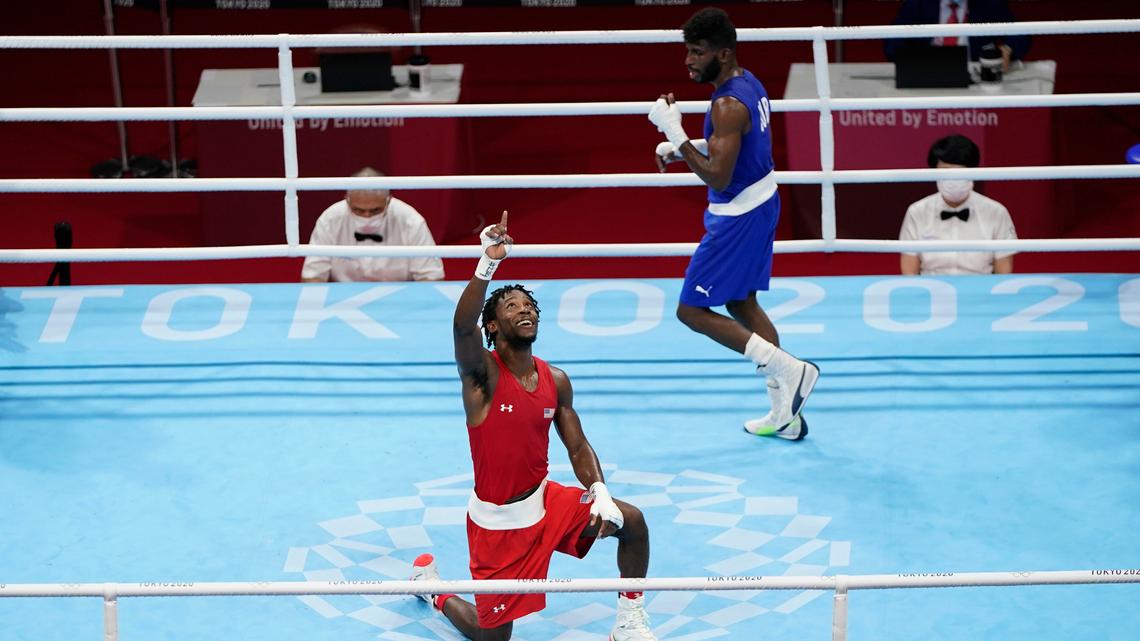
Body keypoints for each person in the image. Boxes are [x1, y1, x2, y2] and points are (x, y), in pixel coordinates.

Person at [409, 211, 657, 641]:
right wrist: (487, 263)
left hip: (546, 506)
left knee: (631, 522)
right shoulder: (481, 377)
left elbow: (576, 446)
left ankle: (629, 623)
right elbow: (460, 326)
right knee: (493, 638)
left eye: (528, 304)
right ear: (493, 326)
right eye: (511, 306)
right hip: (497, 526)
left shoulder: (555, 379)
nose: (524, 309)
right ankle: (436, 591)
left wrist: (598, 492)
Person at [648, 8, 818, 441]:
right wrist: (683, 145)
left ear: (722, 54)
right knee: (742, 303)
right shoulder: (748, 84)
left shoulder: (725, 104)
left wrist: (678, 133)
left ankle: (790, 369)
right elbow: (736, 148)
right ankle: (786, 412)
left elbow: (717, 175)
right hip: (760, 202)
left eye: (697, 52)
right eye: (687, 51)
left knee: (691, 310)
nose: (688, 61)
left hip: (738, 215)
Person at [900, 134, 1018, 276]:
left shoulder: (997, 212)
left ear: (974, 171)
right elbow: (909, 273)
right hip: (931, 293)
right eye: (946, 171)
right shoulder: (916, 212)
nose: (953, 179)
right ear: (933, 173)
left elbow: (1003, 273)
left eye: (960, 171)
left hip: (981, 293)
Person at [300, 167, 444, 282]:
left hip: (401, 299)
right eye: (358, 210)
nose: (367, 216)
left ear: (388, 201)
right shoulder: (330, 220)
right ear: (347, 200)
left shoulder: (411, 221)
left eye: (375, 210)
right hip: (343, 300)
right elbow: (313, 276)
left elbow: (431, 277)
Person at [883, 0, 1031, 70]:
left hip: (977, 79)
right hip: (927, 77)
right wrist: (910, 56)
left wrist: (1009, 50)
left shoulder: (989, 4)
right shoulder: (919, 4)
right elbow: (891, 43)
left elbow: (1020, 36)